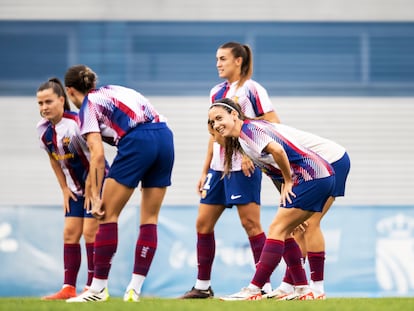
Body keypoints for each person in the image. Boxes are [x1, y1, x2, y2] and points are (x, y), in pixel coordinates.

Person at [63, 65, 175, 303]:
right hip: (165, 136)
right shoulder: (115, 89)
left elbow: (97, 154)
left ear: (70, 91)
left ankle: (98, 289)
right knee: (150, 218)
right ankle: (134, 289)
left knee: (106, 215)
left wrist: (93, 193)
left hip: (137, 141)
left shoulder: (87, 106)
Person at [207, 98, 336, 301]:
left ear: (234, 114)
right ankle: (303, 288)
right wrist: (286, 193)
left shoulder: (248, 131)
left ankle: (254, 289)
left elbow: (278, 151)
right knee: (286, 231)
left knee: (277, 229)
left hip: (313, 176)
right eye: (213, 122)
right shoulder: (245, 136)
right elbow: (273, 167)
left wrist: (288, 181)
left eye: (219, 118)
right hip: (320, 176)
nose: (216, 125)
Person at [181, 42, 280, 299]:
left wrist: (250, 151)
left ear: (239, 60)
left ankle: (264, 287)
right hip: (218, 167)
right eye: (216, 59)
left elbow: (274, 123)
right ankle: (202, 287)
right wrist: (204, 170)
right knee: (202, 224)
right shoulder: (216, 92)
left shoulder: (252, 89)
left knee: (250, 224)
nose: (218, 63)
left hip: (243, 166)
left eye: (223, 58)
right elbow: (214, 133)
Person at [36, 78, 106, 300]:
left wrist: (91, 185)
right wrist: (64, 188)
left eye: (48, 101)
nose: (44, 107)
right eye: (40, 103)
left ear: (61, 99)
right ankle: (68, 287)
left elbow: (96, 153)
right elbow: (54, 160)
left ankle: (92, 287)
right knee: (69, 234)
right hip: (74, 189)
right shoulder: (43, 131)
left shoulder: (77, 121)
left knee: (89, 232)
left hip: (96, 183)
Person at [266, 125, 350, 300]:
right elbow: (279, 175)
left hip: (332, 161)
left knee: (311, 223)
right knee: (296, 226)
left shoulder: (253, 134)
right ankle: (288, 286)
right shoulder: (246, 143)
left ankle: (317, 288)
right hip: (310, 169)